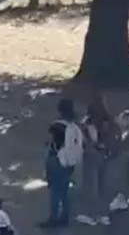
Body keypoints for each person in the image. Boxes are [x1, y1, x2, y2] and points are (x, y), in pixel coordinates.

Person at [40, 98, 82, 229]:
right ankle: (65, 216)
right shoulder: (75, 128)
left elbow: (49, 145)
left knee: (54, 192)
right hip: (69, 162)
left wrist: (46, 169)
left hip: (56, 161)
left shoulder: (56, 126)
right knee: (64, 191)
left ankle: (53, 218)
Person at [76, 96, 118, 226]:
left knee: (91, 186)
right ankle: (103, 215)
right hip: (106, 156)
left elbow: (87, 141)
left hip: (92, 157)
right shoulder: (110, 121)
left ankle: (90, 215)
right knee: (103, 186)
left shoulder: (88, 123)